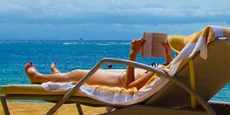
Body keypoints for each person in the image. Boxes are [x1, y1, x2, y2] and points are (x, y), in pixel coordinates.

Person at [23, 37, 174, 90]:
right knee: (76, 75)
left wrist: (132, 54)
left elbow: (129, 87)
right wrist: (168, 54)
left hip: (118, 80)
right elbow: (168, 66)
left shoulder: (161, 74)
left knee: (75, 74)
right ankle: (58, 75)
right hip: (119, 74)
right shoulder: (173, 70)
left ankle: (38, 77)